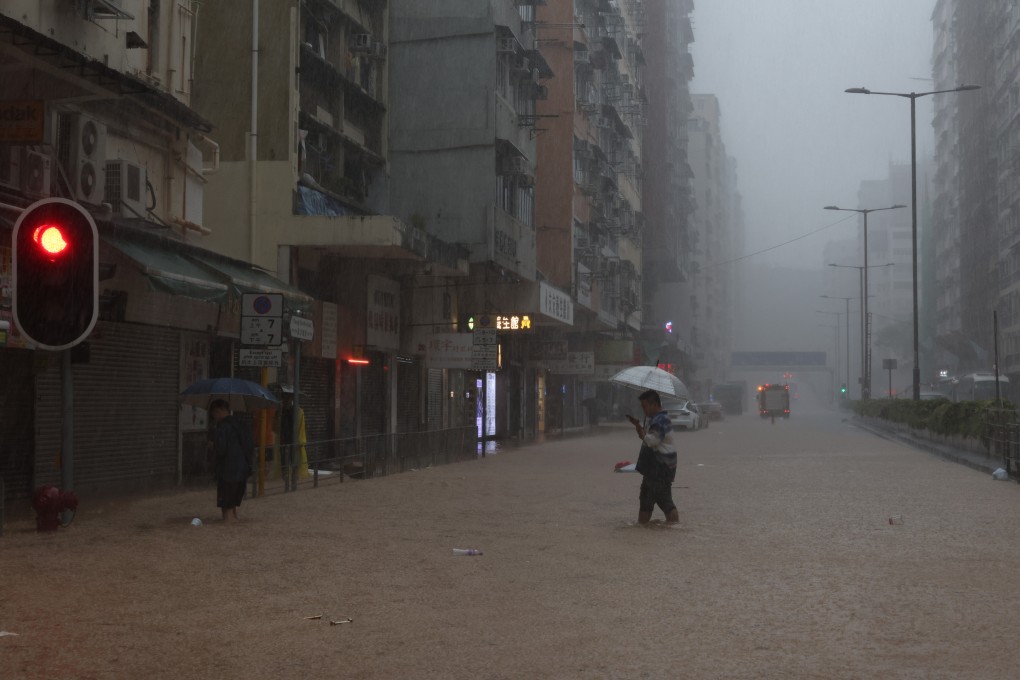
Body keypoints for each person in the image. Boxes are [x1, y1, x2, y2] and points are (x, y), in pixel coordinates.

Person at [628, 389, 679, 524]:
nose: (643, 410)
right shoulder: (657, 420)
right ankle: (673, 527)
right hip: (659, 470)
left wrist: (642, 432)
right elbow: (651, 439)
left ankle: (642, 530)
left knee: (649, 501)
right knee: (663, 502)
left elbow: (651, 441)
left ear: (654, 404)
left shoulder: (660, 421)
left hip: (658, 470)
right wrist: (640, 427)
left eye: (645, 406)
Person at [209, 399, 253, 523]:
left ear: (219, 411)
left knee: (226, 501)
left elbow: (221, 449)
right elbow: (249, 445)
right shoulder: (241, 424)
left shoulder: (222, 427)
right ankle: (234, 519)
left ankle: (229, 522)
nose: (214, 416)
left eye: (214, 413)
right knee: (233, 500)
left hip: (227, 469)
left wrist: (213, 445)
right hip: (242, 468)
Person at [273, 386, 308, 491]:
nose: (286, 400)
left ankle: (293, 483)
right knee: (284, 464)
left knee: (295, 464)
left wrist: (300, 442)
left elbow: (301, 428)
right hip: (283, 442)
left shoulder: (298, 411)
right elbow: (275, 427)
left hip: (294, 443)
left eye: (288, 397)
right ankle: (287, 483)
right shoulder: (279, 412)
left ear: (292, 398)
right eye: (284, 397)